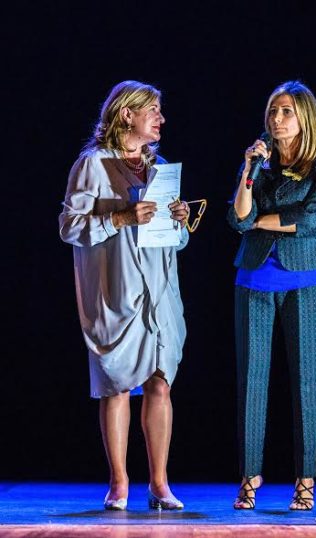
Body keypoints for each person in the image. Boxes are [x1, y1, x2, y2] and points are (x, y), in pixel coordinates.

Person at [59, 80, 190, 511]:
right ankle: (119, 482)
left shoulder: (160, 167)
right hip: (117, 290)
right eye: (153, 110)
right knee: (116, 385)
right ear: (126, 114)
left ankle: (160, 483)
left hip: (160, 291)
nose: (161, 118)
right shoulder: (93, 164)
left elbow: (174, 241)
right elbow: (69, 227)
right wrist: (120, 218)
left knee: (160, 383)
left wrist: (179, 220)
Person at [227, 80, 316, 511]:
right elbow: (238, 218)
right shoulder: (259, 163)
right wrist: (248, 171)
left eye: (287, 111)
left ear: (305, 117)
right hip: (254, 278)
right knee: (251, 381)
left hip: (306, 280)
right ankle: (249, 476)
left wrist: (260, 220)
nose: (277, 119)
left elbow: (310, 219)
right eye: (273, 111)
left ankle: (305, 478)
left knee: (307, 381)